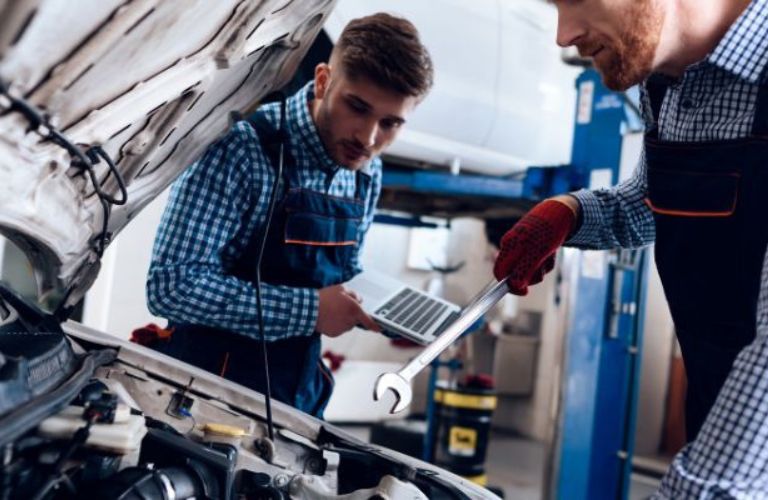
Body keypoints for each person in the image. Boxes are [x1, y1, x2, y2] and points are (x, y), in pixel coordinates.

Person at [493, 0, 768, 496]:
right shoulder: (664, 85)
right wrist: (572, 213)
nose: (563, 34)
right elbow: (657, 198)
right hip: (717, 432)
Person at [146, 13, 433, 418]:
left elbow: (344, 271)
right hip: (203, 398)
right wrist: (312, 311)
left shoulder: (366, 172)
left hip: (298, 397)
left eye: (390, 123)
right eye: (357, 107)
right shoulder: (241, 150)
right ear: (322, 81)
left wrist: (382, 311)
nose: (368, 138)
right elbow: (171, 286)